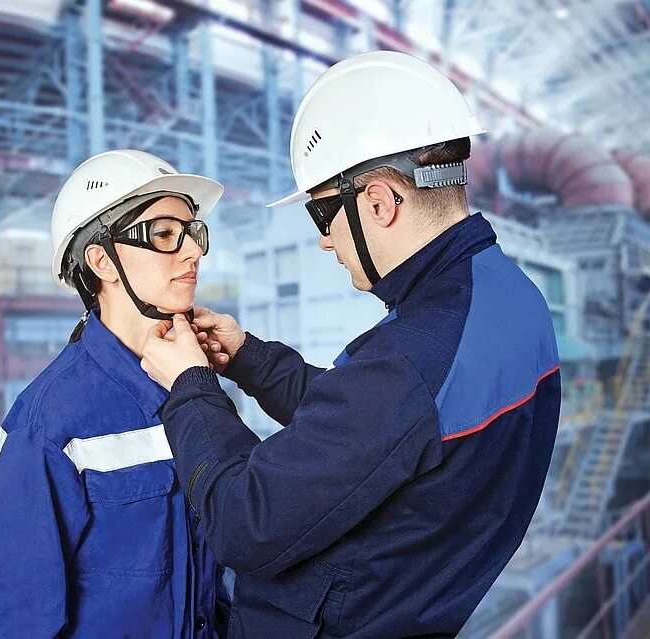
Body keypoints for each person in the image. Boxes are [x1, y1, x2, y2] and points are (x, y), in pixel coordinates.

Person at [140, 51, 561, 638]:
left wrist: (191, 389)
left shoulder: (409, 360)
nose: (323, 242)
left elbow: (245, 522)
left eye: (322, 215)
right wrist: (250, 360)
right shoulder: (509, 300)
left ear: (378, 203)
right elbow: (373, 433)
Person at [0, 149, 231, 638]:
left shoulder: (194, 385)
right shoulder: (48, 424)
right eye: (163, 234)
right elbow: (16, 621)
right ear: (102, 261)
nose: (193, 251)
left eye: (192, 232)